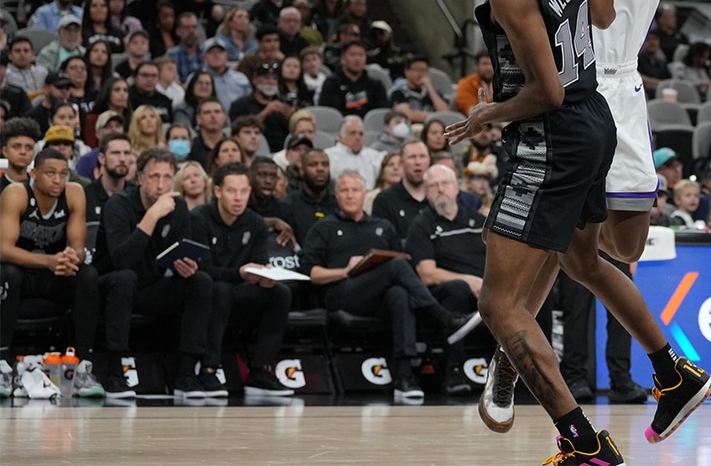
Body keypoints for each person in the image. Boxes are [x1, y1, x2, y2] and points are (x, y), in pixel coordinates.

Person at [442, 0, 626, 462]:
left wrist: (484, 114)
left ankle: (583, 443)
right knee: (562, 259)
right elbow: (603, 15)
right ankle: (511, 359)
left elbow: (544, 93)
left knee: (497, 304)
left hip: (555, 132)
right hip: (596, 119)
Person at [299, 170, 480, 404]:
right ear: (337, 195)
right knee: (395, 266)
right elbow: (310, 273)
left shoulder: (383, 226)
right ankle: (443, 317)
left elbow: (403, 260)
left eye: (355, 190)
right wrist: (345, 270)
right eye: (344, 190)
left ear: (365, 194)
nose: (350, 195)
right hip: (342, 293)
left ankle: (404, 377)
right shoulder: (324, 227)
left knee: (400, 293)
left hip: (379, 297)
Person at [94, 148, 223, 398]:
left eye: (167, 177)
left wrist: (184, 266)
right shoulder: (118, 205)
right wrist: (152, 215)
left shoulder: (179, 207)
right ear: (140, 178)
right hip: (110, 288)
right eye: (154, 177)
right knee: (125, 278)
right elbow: (123, 260)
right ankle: (114, 371)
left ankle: (186, 374)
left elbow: (176, 254)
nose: (161, 185)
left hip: (151, 287)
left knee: (201, 282)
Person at [0, 149, 104, 398]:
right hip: (22, 272)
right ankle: (2, 363)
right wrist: (48, 260)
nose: (57, 180)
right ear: (33, 173)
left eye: (62, 174)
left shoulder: (74, 193)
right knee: (7, 274)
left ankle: (82, 366)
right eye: (50, 173)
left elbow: (79, 247)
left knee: (87, 275)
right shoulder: (16, 194)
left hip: (53, 273)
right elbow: (3, 249)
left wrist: (71, 258)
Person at [190, 162, 294, 396]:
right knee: (220, 289)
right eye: (231, 191)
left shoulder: (255, 222)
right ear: (217, 191)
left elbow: (260, 260)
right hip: (205, 294)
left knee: (280, 293)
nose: (238, 198)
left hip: (241, 291)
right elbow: (202, 269)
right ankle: (208, 369)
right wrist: (240, 273)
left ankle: (260, 370)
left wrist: (265, 278)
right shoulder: (199, 219)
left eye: (244, 191)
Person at [406, 163, 488, 396]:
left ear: (456, 188)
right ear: (426, 193)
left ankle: (532, 373)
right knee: (457, 289)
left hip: (487, 288)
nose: (440, 189)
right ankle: (454, 372)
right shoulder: (421, 226)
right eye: (433, 186)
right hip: (445, 294)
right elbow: (427, 273)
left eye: (444, 184)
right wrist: (469, 280)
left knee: (532, 293)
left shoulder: (478, 222)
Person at [316, 39, 388, 117]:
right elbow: (330, 114)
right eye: (352, 55)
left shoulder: (376, 85)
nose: (357, 59)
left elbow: (381, 113)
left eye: (361, 55)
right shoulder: (331, 83)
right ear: (342, 59)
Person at [326, 116, 383, 187]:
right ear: (340, 137)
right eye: (352, 133)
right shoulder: (328, 156)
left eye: (361, 134)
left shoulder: (374, 156)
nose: (358, 138)